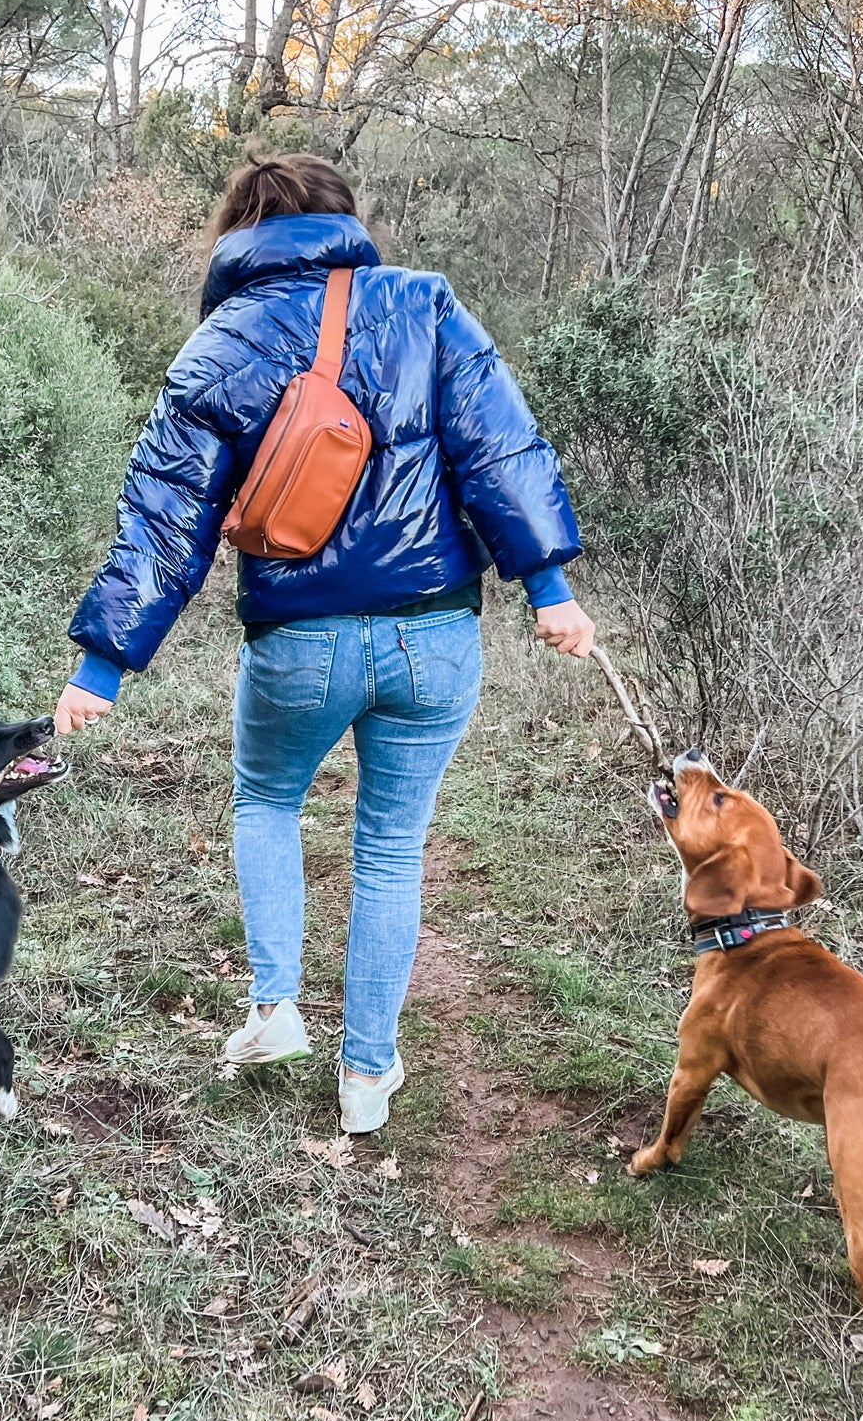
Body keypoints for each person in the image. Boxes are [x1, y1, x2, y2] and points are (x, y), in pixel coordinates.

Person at [56, 151, 593, 1134]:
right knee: (391, 849)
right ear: (343, 220)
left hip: (297, 639)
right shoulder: (424, 306)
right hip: (434, 633)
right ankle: (364, 1078)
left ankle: (274, 1011)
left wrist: (105, 663)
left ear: (240, 229)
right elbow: (498, 448)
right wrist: (546, 588)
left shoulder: (221, 341)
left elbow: (163, 517)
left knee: (265, 799)